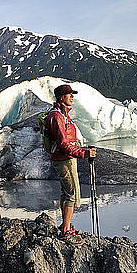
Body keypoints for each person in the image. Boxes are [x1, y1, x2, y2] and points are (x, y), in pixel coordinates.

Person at [47, 84, 96, 246]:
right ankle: (66, 231)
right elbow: (62, 143)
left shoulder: (63, 114)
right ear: (62, 97)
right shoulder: (57, 116)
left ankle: (64, 225)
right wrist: (84, 153)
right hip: (64, 159)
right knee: (72, 194)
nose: (72, 97)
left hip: (66, 158)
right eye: (69, 95)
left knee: (66, 192)